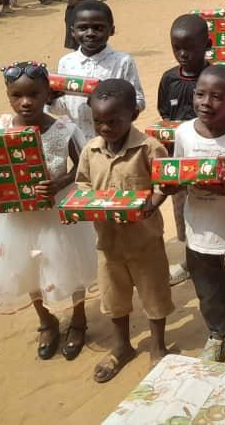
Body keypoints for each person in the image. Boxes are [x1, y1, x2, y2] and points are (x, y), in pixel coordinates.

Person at [0, 61, 94, 360]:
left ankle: (79, 320)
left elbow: (83, 165)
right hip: (17, 217)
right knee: (27, 267)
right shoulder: (2, 127)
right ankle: (46, 321)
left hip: (57, 214)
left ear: (47, 94)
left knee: (70, 264)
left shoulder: (62, 128)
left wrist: (61, 182)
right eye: (17, 95)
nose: (25, 102)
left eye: (34, 94)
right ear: (8, 95)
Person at [75, 79, 174, 383]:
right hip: (108, 242)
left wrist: (150, 204)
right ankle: (122, 346)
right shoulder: (90, 150)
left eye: (113, 121)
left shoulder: (149, 147)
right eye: (98, 122)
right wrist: (81, 205)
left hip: (144, 239)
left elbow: (163, 185)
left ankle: (158, 346)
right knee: (114, 296)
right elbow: (82, 184)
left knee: (154, 291)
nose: (105, 128)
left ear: (132, 114)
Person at [170, 66, 225, 366]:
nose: (206, 102)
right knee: (207, 290)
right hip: (198, 230)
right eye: (200, 94)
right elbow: (178, 171)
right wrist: (177, 181)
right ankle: (216, 334)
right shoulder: (183, 133)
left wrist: (224, 188)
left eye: (217, 97)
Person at [157, 13, 213, 286]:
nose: (182, 54)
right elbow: (164, 113)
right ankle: (191, 262)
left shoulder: (216, 77)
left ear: (207, 44)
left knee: (212, 209)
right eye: (176, 47)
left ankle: (218, 262)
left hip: (211, 158)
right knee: (183, 212)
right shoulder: (169, 79)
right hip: (178, 160)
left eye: (189, 48)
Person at [50, 0, 145, 142]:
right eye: (82, 28)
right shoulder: (67, 62)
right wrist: (49, 99)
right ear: (72, 32)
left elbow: (138, 101)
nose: (90, 33)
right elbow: (61, 108)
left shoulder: (122, 61)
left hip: (115, 139)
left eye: (98, 28)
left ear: (111, 30)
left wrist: (113, 103)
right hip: (78, 139)